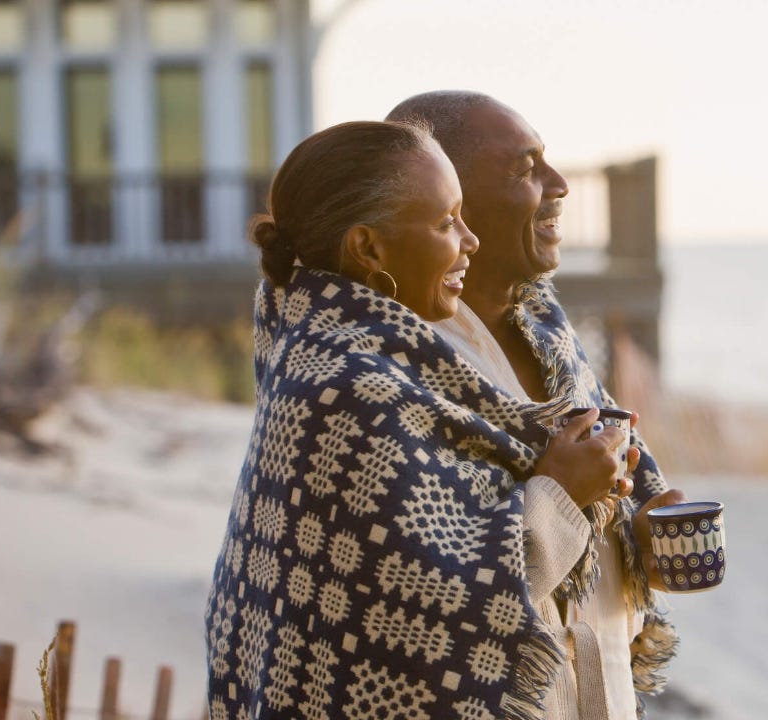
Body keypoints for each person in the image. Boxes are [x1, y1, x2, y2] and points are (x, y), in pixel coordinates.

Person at [205, 120, 638, 719]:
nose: (471, 241)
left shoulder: (378, 358)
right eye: (445, 222)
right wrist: (561, 494)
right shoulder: (348, 387)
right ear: (368, 248)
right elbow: (436, 609)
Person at [387, 92, 686, 720]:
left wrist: (636, 535)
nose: (558, 185)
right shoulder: (389, 369)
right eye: (526, 169)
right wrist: (559, 495)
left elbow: (605, 498)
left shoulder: (550, 328)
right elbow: (421, 593)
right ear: (446, 194)